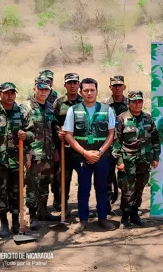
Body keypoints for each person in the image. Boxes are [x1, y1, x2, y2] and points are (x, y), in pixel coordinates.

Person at [63, 78, 116, 233]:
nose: (89, 93)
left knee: (102, 188)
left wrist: (99, 152)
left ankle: (103, 218)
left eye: (92, 90)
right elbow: (68, 135)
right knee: (83, 189)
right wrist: (85, 153)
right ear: (81, 92)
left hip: (102, 157)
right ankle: (83, 220)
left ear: (97, 91)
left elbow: (111, 134)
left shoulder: (107, 110)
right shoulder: (73, 110)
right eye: (86, 90)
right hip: (81, 157)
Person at [0, 82, 32, 237]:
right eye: (6, 93)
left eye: (12, 93)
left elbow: (31, 133)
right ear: (0, 94)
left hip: (17, 160)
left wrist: (26, 138)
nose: (10, 96)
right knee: (0, 191)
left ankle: (16, 222)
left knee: (17, 192)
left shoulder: (22, 112)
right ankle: (4, 222)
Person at [112, 91, 161, 228]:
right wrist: (119, 161)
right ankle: (125, 216)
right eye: (134, 101)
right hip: (128, 161)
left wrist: (156, 157)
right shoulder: (122, 118)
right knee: (127, 191)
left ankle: (134, 214)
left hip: (144, 161)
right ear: (129, 103)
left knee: (139, 189)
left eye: (140, 101)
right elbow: (116, 141)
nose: (137, 104)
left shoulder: (148, 118)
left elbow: (156, 138)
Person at [20, 77, 60, 230]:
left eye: (46, 89)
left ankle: (43, 212)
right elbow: (21, 132)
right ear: (34, 88)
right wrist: (26, 154)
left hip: (48, 154)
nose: (44, 92)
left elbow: (52, 129)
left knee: (45, 183)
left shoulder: (49, 107)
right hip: (34, 154)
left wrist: (56, 148)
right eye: (41, 88)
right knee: (32, 185)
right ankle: (33, 216)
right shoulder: (26, 107)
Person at [53, 73, 83, 215]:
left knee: (84, 179)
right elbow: (53, 122)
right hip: (64, 148)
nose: (72, 85)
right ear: (65, 85)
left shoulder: (84, 102)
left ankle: (83, 207)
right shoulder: (59, 103)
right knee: (64, 178)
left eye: (75, 83)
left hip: (81, 148)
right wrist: (58, 132)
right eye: (69, 83)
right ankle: (63, 205)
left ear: (78, 85)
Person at [102, 75, 129, 213]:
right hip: (109, 147)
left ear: (124, 87)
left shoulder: (131, 103)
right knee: (107, 178)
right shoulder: (104, 104)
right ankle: (106, 208)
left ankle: (126, 208)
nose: (117, 88)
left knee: (126, 179)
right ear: (110, 87)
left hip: (127, 148)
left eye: (120, 85)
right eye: (114, 86)